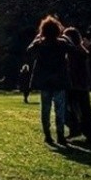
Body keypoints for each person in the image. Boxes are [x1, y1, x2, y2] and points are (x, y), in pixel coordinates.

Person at [27, 15, 73, 146]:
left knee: (45, 109)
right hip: (59, 80)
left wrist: (36, 39)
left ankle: (47, 135)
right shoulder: (62, 44)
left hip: (45, 81)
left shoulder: (40, 44)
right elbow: (74, 50)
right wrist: (65, 38)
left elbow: (28, 51)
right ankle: (60, 135)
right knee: (60, 109)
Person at [63, 27, 91, 143]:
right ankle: (85, 132)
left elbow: (74, 70)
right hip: (80, 84)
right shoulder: (80, 51)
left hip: (77, 84)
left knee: (77, 109)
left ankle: (81, 130)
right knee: (82, 109)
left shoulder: (76, 52)